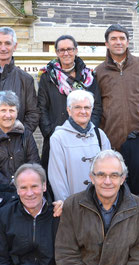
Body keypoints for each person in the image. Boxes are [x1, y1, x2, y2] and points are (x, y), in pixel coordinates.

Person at [38, 35, 102, 171]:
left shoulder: (89, 77)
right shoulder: (47, 77)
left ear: (76, 51)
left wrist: (90, 131)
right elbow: (41, 108)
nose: (66, 53)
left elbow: (96, 107)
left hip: (84, 137)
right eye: (61, 50)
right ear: (56, 52)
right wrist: (50, 133)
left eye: (69, 49)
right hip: (56, 137)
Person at [95, 24, 139, 149]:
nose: (118, 42)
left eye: (122, 38)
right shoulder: (99, 72)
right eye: (113, 39)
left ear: (127, 43)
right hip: (111, 139)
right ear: (106, 44)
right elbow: (97, 107)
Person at [48, 90, 111, 201]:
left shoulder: (100, 135)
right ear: (69, 110)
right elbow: (57, 178)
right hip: (74, 205)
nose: (83, 111)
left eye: (87, 107)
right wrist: (66, 205)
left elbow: (110, 170)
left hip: (100, 203)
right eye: (77, 107)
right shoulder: (58, 138)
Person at [0, 91, 40, 187]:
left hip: (23, 189)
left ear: (17, 112)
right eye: (3, 110)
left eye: (11, 110)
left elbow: (34, 164)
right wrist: (8, 185)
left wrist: (20, 183)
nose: (8, 115)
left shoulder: (26, 135)